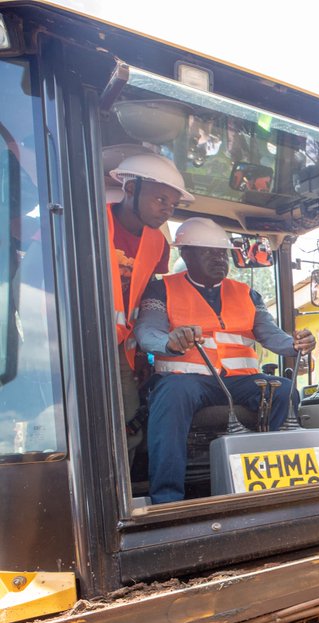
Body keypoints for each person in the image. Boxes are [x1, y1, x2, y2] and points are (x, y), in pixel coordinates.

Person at [134, 218, 316, 504]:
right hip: (187, 381)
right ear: (186, 254)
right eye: (208, 252)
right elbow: (147, 332)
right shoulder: (161, 290)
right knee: (170, 395)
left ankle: (275, 488)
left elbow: (270, 335)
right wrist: (168, 342)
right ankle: (167, 500)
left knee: (283, 389)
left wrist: (294, 344)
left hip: (238, 380)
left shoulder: (246, 293)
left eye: (222, 252)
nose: (219, 258)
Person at [107, 153, 194, 445]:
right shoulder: (89, 221)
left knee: (129, 423)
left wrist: (145, 354)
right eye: (160, 200)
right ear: (131, 189)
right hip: (66, 340)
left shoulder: (158, 243)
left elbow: (144, 294)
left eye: (173, 204)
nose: (168, 210)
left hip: (119, 344)